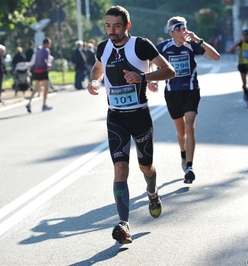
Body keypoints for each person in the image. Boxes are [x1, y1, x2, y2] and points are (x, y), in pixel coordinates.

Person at [87, 5, 175, 244]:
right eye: (107, 26)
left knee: (146, 167)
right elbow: (97, 69)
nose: (111, 31)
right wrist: (93, 82)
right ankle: (124, 224)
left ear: (127, 25)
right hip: (115, 117)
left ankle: (152, 193)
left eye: (116, 26)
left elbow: (170, 70)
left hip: (139, 116)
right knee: (120, 170)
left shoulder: (141, 45)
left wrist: (143, 77)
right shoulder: (103, 47)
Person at [154, 16, 220, 184]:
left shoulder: (192, 45)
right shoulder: (164, 47)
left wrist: (198, 39)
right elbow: (150, 60)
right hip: (172, 93)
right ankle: (183, 154)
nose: (183, 31)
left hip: (191, 90)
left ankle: (189, 167)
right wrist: (152, 79)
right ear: (171, 32)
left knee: (190, 126)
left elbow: (216, 56)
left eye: (184, 27)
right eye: (179, 29)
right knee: (181, 131)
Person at [227, 29, 248, 108]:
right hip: (242, 64)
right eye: (244, 35)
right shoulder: (241, 42)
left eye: (246, 35)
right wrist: (238, 42)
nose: (245, 37)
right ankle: (245, 93)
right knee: (244, 83)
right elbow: (231, 49)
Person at [26, 38, 52, 112]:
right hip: (43, 71)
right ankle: (44, 105)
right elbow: (43, 59)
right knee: (46, 88)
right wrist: (48, 64)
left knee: (37, 88)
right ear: (47, 43)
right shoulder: (46, 50)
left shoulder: (38, 51)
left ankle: (29, 102)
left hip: (36, 71)